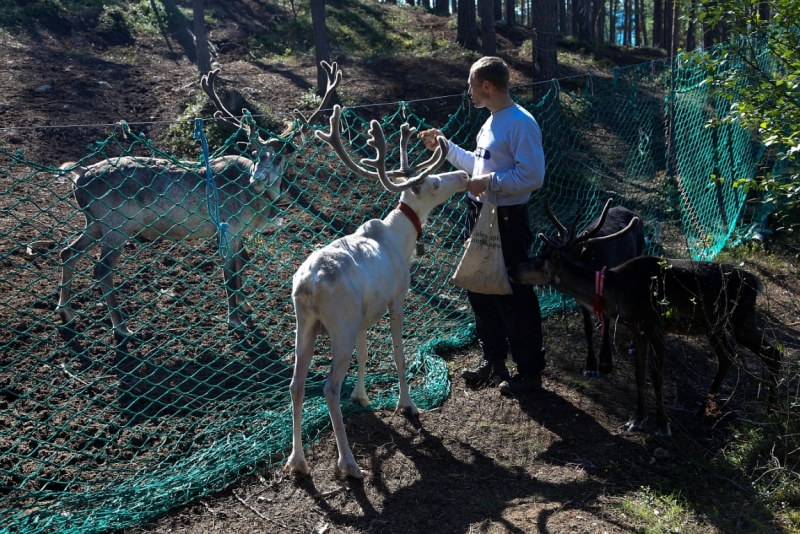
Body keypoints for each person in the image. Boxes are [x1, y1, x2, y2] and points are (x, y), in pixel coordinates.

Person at [419, 56, 546, 396]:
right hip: (479, 217)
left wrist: (489, 183)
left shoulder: (520, 123)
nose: (469, 91)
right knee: (480, 290)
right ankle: (493, 361)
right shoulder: (491, 122)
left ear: (486, 86)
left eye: (471, 85)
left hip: (506, 221)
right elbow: (478, 168)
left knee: (513, 295)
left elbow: (532, 175)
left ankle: (529, 371)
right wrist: (445, 147)